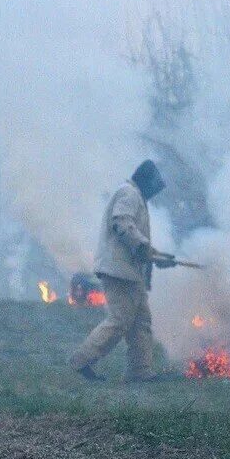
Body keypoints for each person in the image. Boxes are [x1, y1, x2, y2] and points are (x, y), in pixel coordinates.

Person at [71, 160, 176, 382]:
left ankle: (139, 372)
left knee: (140, 324)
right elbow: (122, 223)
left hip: (129, 273)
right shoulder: (129, 194)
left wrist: (157, 256)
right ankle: (82, 360)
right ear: (146, 181)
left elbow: (138, 241)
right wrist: (143, 247)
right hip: (119, 272)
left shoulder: (134, 195)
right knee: (120, 320)